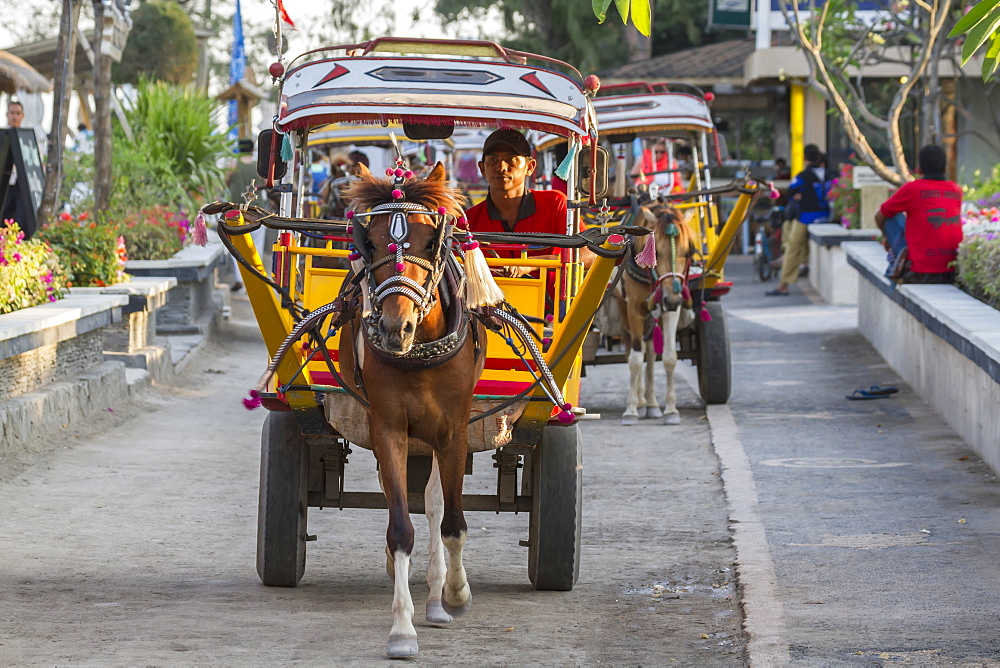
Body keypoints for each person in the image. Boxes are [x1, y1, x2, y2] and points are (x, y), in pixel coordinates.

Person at [465, 128, 568, 278]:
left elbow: (587, 255)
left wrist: (530, 265)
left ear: (530, 167)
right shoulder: (467, 222)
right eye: (493, 160)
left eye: (511, 160)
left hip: (552, 301)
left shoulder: (555, 204)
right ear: (482, 168)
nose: (501, 168)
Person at [874, 144, 963, 284]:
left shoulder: (913, 189)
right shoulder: (956, 190)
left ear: (919, 169)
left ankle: (895, 270)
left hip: (919, 270)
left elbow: (879, 216)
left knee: (892, 217)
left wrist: (887, 239)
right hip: (950, 269)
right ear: (945, 168)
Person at [766, 144, 831, 296]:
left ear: (806, 159)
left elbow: (791, 191)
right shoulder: (830, 175)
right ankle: (804, 264)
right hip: (826, 216)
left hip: (806, 217)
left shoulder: (803, 176)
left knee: (793, 248)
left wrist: (799, 196)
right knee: (802, 246)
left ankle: (783, 285)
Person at [226, 138, 268, 292]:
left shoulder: (233, 164)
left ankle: (240, 279)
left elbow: (226, 181)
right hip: (257, 212)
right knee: (256, 246)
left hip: (237, 212)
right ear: (252, 150)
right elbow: (267, 183)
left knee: (236, 245)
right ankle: (257, 277)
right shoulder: (258, 165)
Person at [1, 101, 27, 230]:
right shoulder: (2, 134)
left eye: (17, 113)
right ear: (7, 114)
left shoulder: (27, 137)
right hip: (4, 184)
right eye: (12, 113)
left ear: (22, 115)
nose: (14, 116)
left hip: (21, 185)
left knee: (20, 219)